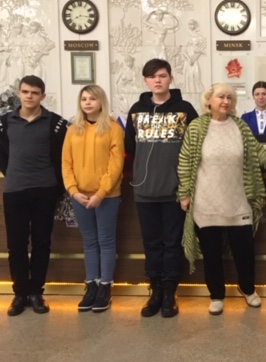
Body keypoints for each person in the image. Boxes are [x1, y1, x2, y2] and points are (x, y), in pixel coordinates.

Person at [178, 83, 266, 315]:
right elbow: (185, 161)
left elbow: (258, 152)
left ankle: (247, 289)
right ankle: (216, 295)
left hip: (239, 201)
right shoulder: (197, 127)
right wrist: (184, 193)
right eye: (221, 97)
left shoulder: (240, 126)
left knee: (244, 252)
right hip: (206, 202)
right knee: (212, 254)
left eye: (230, 97)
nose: (225, 101)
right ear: (209, 100)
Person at [125, 58, 198, 318]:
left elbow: (195, 148)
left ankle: (169, 293)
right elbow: (130, 148)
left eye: (162, 75)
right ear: (146, 80)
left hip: (174, 192)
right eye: (152, 76)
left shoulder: (185, 110)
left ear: (170, 79)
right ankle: (155, 291)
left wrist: (187, 189)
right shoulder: (136, 110)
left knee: (172, 244)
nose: (158, 80)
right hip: (144, 191)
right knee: (151, 244)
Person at [0, 75, 67, 316]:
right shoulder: (5, 122)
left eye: (35, 92)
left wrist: (58, 187)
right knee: (16, 245)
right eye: (26, 92)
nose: (29, 96)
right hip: (14, 191)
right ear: (19, 93)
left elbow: (62, 157)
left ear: (42, 96)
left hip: (45, 190)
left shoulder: (56, 123)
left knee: (41, 242)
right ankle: (20, 294)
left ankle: (36, 292)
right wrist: (12, 173)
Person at [62, 85, 124, 312]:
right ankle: (91, 285)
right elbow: (66, 163)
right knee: (88, 242)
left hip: (106, 196)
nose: (87, 103)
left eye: (92, 99)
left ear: (101, 102)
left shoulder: (113, 128)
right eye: (84, 99)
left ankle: (105, 286)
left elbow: (116, 165)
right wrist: (73, 190)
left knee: (105, 241)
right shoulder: (73, 130)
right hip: (79, 196)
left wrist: (100, 193)